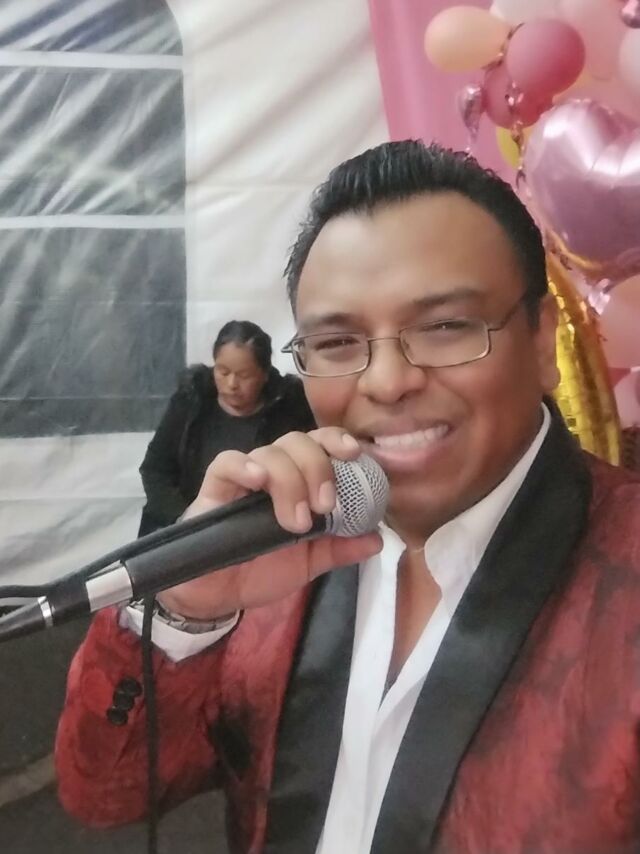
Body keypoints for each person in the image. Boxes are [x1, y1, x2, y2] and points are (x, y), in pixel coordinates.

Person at [55, 141, 640, 854]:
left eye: (445, 327)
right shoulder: (279, 543)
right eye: (336, 342)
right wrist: (184, 610)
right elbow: (107, 793)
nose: (387, 381)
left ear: (542, 342)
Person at [137, 320, 315, 535]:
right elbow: (155, 470)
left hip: (260, 533)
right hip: (183, 530)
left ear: (264, 374)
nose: (232, 384)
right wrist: (186, 520)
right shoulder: (191, 401)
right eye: (223, 372)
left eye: (244, 375)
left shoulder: (289, 408)